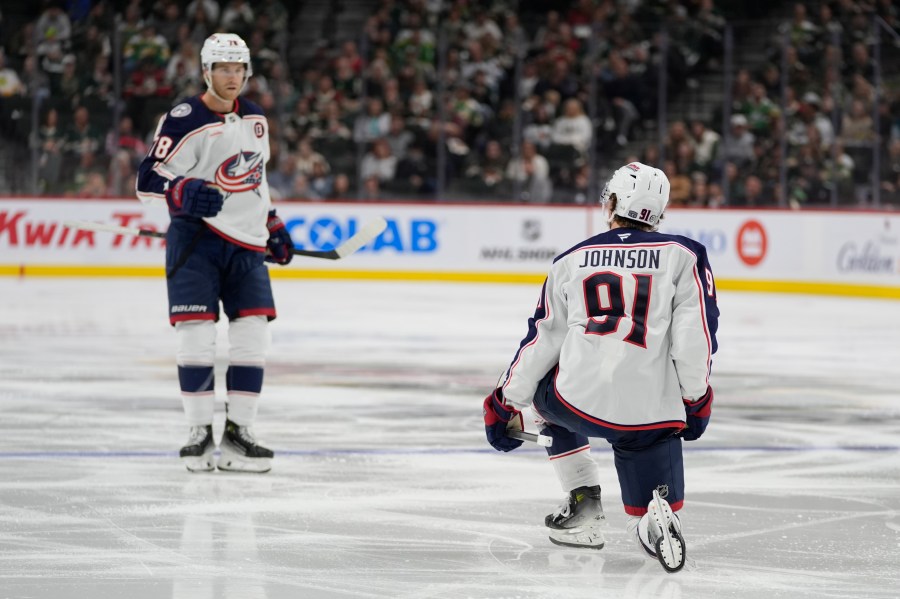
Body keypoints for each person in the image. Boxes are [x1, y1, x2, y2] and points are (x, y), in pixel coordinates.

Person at [482, 162, 719, 573]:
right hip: (650, 413)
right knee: (649, 447)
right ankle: (654, 518)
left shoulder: (570, 260)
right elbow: (695, 338)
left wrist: (505, 402)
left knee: (544, 396)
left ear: (612, 202)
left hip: (575, 401)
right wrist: (695, 400)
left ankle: (584, 507)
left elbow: (543, 340)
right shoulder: (685, 255)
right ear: (659, 212)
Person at [136, 33, 294, 474]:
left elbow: (255, 178)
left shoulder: (256, 117)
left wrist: (272, 222)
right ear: (206, 71)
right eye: (222, 68)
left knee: (252, 338)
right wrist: (182, 189)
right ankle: (199, 433)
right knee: (196, 337)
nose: (231, 77)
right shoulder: (185, 117)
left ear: (246, 72)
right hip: (197, 242)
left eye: (238, 69)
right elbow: (147, 179)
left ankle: (240, 434)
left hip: (246, 245)